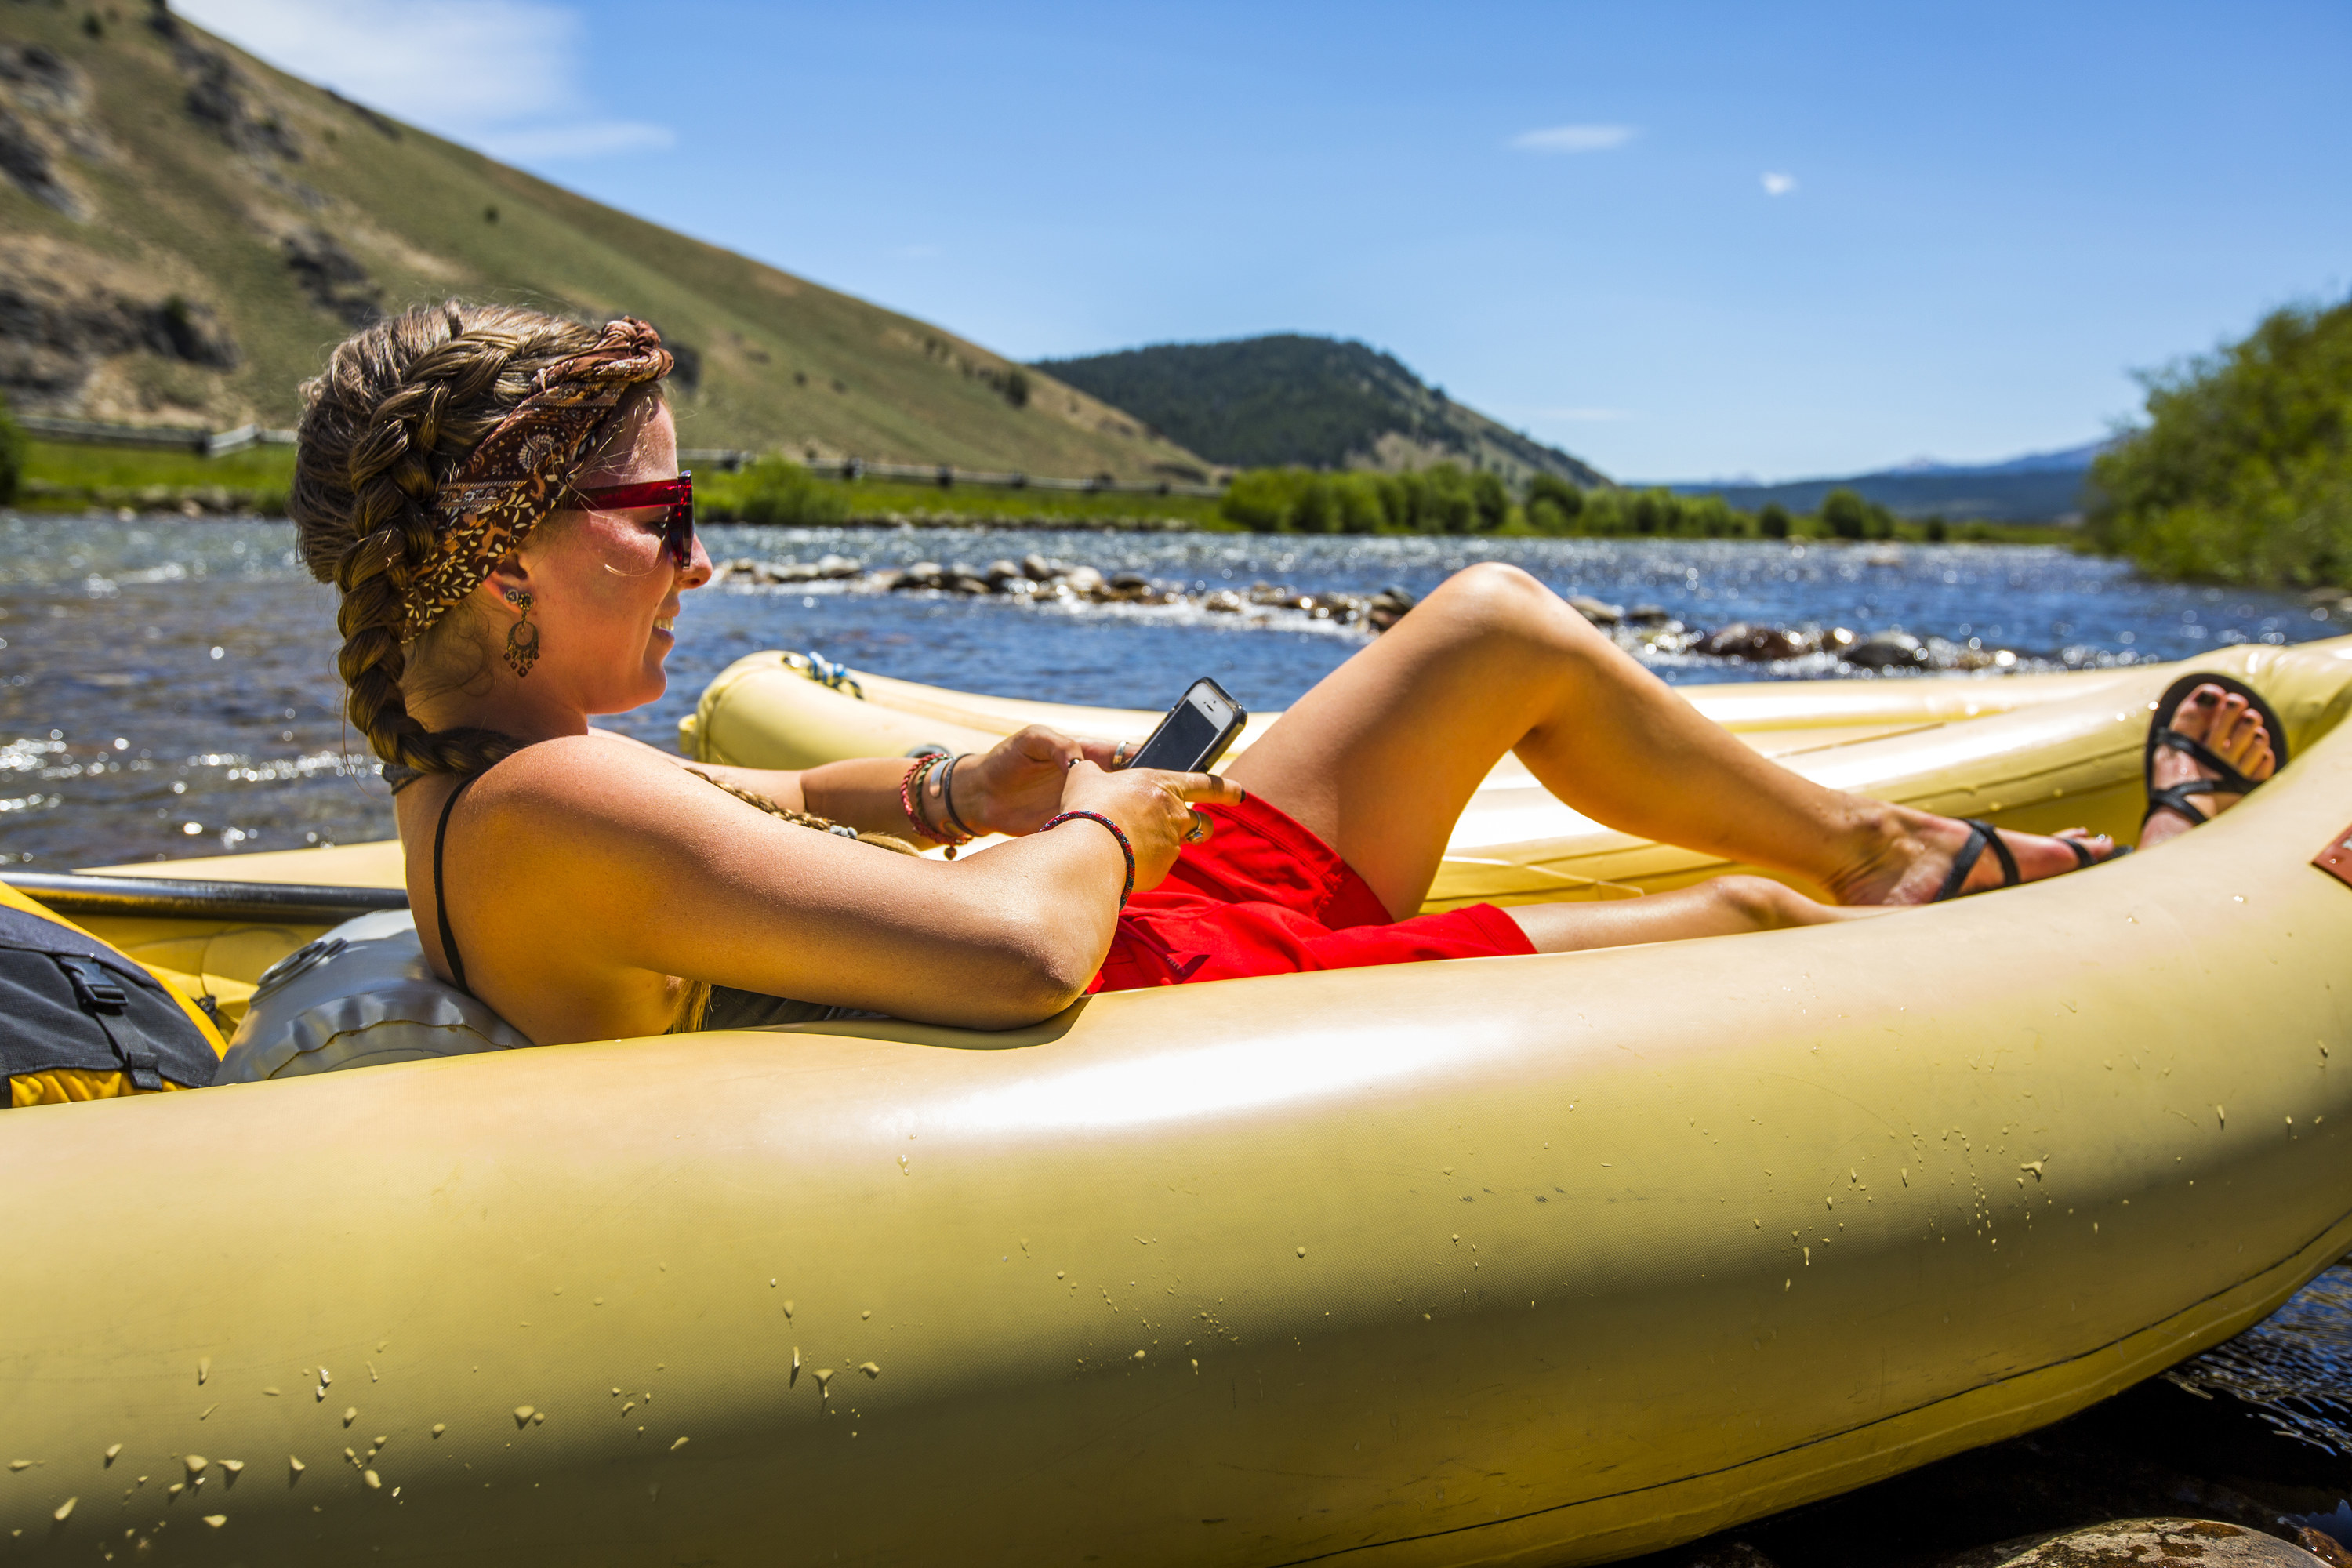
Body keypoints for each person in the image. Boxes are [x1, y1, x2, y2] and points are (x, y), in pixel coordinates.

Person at [292, 306, 2159, 1048]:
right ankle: (1948, 911)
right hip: (1140, 1007)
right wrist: (1105, 823)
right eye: (664, 509)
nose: (701, 559)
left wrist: (961, 788)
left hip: (1136, 936)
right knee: (1738, 914)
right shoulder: (548, 799)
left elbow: (756, 806)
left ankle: (1883, 850)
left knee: (1496, 618)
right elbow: (1022, 957)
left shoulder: (497, 778)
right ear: (500, 546)